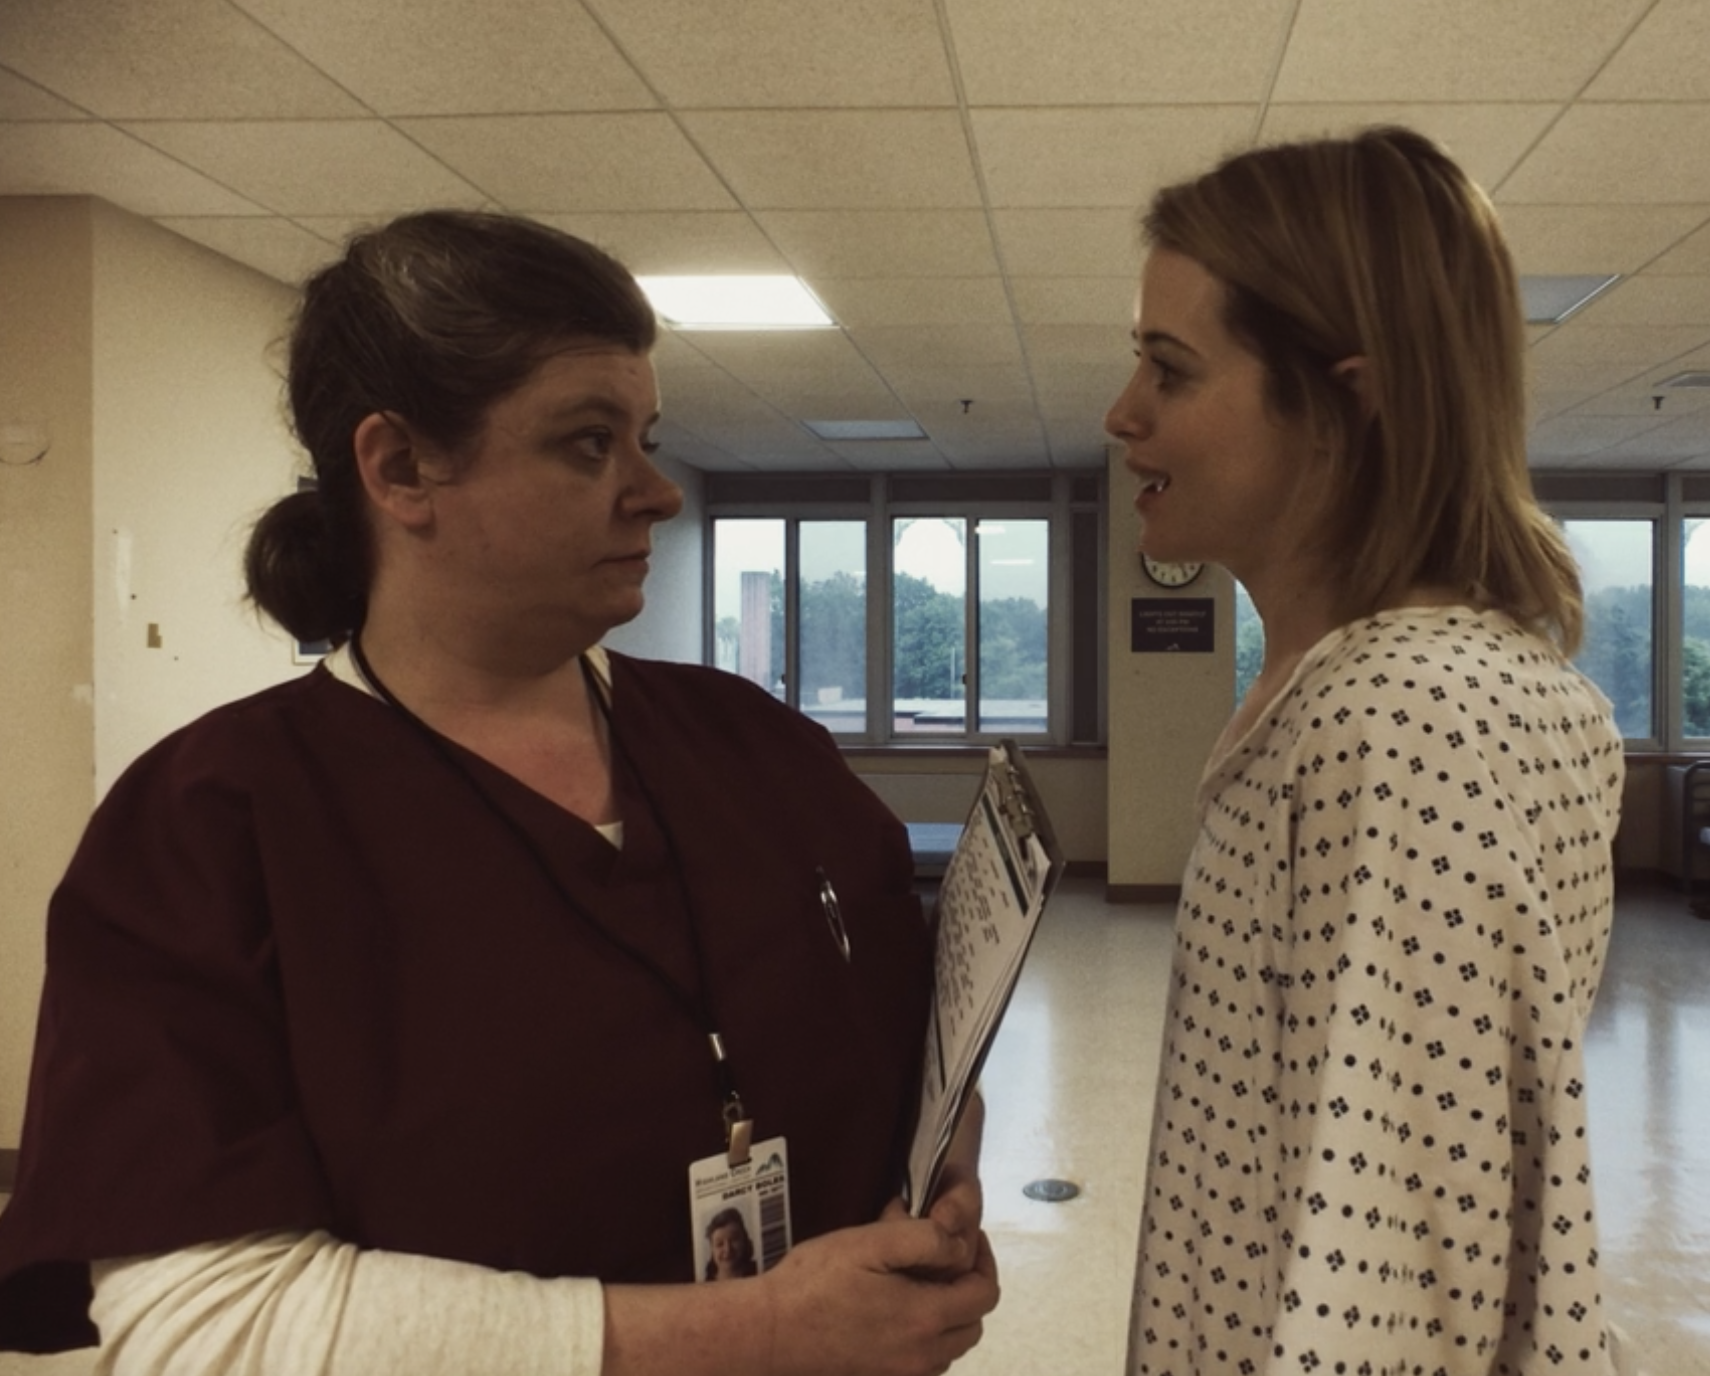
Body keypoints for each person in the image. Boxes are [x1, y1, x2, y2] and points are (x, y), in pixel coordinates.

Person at [0, 209, 997, 1375]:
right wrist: (757, 1331)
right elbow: (202, 1324)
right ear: (401, 467)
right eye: (589, 443)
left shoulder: (753, 745)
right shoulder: (215, 824)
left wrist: (939, 1170)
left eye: (647, 436)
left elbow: (919, 1025)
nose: (657, 491)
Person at [1104, 127, 1627, 1374]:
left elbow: (1382, 1285)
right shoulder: (1462, 683)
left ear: (1350, 398)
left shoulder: (1393, 722)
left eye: (1170, 372)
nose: (1124, 415)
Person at [704, 1209, 759, 1282]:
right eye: (719, 1244)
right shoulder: (706, 1284)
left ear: (744, 1240)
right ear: (712, 1249)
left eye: (734, 1240)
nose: (728, 1249)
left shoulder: (759, 1271)